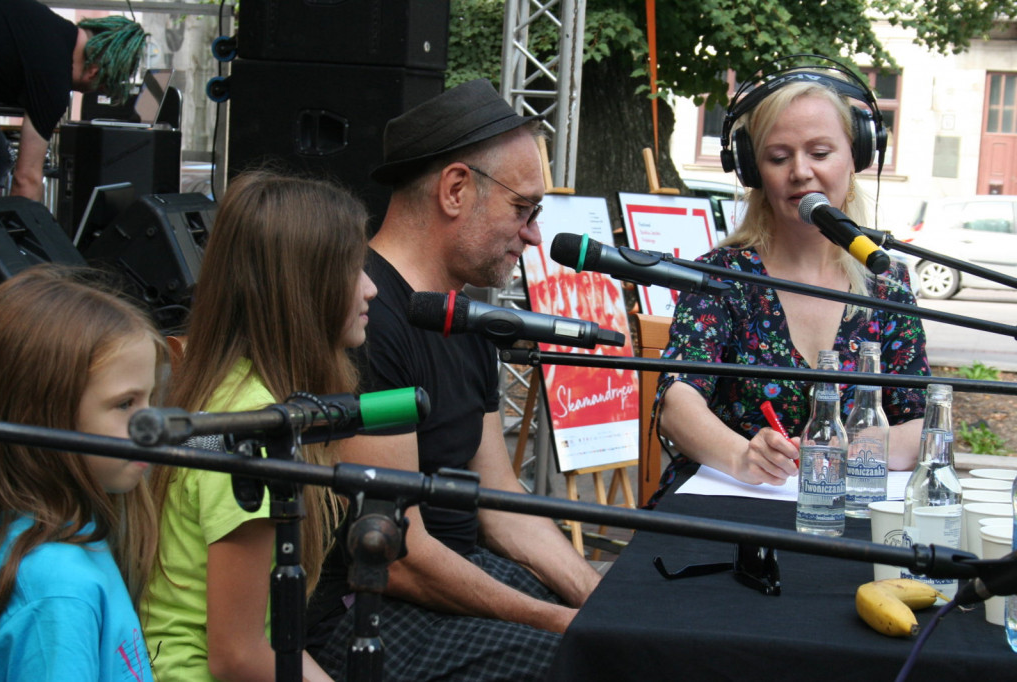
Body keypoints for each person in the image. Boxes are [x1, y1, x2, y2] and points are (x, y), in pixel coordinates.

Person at [305, 78, 602, 682]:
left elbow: (500, 503)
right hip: (367, 608)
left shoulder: (462, 315)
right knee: (577, 662)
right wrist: (556, 622)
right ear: (456, 189)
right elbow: (391, 553)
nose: (535, 235)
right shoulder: (364, 316)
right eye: (524, 209)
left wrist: (596, 600)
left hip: (454, 578)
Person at [649, 74, 930, 500]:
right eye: (779, 158)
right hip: (733, 519)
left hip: (848, 514)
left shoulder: (887, 283)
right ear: (752, 170)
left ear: (856, 158)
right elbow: (677, 401)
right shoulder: (722, 276)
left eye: (820, 152)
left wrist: (852, 447)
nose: (801, 172)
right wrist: (741, 456)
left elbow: (923, 422)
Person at [141, 170, 375, 682]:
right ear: (303, 287)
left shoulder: (235, 389)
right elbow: (238, 655)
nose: (371, 287)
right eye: (355, 269)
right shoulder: (255, 429)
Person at [0, 264, 163, 680]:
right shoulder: (59, 589)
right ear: (45, 415)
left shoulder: (73, 539)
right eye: (126, 404)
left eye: (150, 399)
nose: (152, 424)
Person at [0, 0, 146, 199]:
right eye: (101, 86)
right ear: (94, 72)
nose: (90, 92)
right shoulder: (54, 78)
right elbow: (26, 180)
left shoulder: (45, 21)